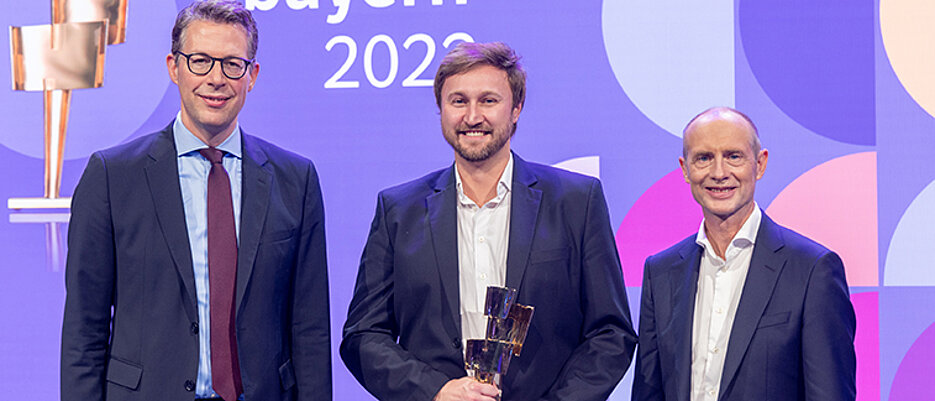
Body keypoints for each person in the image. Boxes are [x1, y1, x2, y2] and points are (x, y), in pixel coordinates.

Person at [60, 1, 331, 400]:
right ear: (174, 67)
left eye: (232, 64)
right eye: (200, 61)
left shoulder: (296, 179)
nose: (216, 79)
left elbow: (310, 330)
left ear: (252, 75)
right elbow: (85, 330)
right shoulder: (112, 177)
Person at [340, 41, 637, 401]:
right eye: (458, 101)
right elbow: (363, 335)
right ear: (441, 109)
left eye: (489, 101)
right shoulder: (398, 210)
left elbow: (611, 333)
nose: (472, 116)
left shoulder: (576, 201)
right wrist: (434, 390)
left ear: (516, 109)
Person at [632, 107, 856, 401]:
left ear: (760, 164)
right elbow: (649, 393)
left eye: (733, 156)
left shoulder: (812, 270)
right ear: (685, 169)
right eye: (704, 158)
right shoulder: (660, 272)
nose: (719, 173)